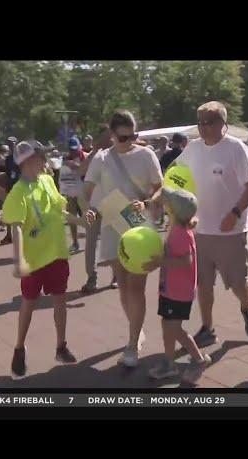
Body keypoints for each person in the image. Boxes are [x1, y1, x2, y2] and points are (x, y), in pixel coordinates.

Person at [158, 101, 248, 349]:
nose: (203, 127)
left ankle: (246, 308)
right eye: (200, 122)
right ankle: (208, 328)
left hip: (230, 231)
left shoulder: (236, 149)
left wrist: (235, 213)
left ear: (223, 124)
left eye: (209, 122)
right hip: (199, 231)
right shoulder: (193, 148)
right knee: (203, 284)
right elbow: (174, 170)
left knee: (238, 283)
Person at [84, 110, 163, 367]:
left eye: (134, 136)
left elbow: (160, 187)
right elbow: (86, 191)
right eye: (123, 137)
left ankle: (131, 345)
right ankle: (136, 331)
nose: (130, 141)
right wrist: (90, 210)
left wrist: (148, 202)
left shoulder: (146, 154)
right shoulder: (102, 159)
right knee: (124, 285)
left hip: (139, 225)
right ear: (112, 134)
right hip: (111, 226)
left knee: (137, 286)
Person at [2, 140, 83, 377]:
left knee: (60, 300)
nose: (45, 160)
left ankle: (61, 346)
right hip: (34, 260)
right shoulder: (18, 193)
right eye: (40, 156)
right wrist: (18, 260)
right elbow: (16, 228)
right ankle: (19, 347)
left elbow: (60, 211)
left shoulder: (47, 180)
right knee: (28, 304)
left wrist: (82, 221)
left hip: (57, 253)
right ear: (27, 161)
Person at [143, 187, 212, 383]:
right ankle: (169, 363)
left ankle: (198, 359)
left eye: (169, 205)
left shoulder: (182, 233)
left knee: (174, 328)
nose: (166, 206)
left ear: (174, 211)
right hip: (170, 289)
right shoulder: (175, 227)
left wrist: (159, 262)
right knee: (168, 326)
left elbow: (185, 262)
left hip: (179, 292)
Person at [80, 124, 117, 294]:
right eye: (104, 135)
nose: (108, 138)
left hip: (114, 204)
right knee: (90, 243)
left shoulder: (119, 153)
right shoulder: (95, 155)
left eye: (109, 135)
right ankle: (91, 279)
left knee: (116, 241)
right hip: (94, 206)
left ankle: (117, 276)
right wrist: (95, 151)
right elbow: (81, 170)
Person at [62, 137, 87, 254]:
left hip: (85, 192)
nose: (73, 152)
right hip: (71, 192)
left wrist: (76, 166)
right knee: (71, 217)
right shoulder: (66, 158)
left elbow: (88, 172)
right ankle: (75, 242)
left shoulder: (86, 156)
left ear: (79, 146)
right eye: (71, 150)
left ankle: (91, 239)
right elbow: (63, 176)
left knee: (88, 217)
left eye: (75, 149)